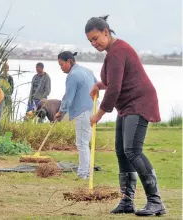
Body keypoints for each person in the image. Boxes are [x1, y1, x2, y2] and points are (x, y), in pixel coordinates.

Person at [85, 15, 166, 216]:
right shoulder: (113, 52)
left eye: (96, 38)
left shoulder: (117, 51)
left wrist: (99, 114)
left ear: (106, 32)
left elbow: (114, 89)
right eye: (90, 41)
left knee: (133, 150)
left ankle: (156, 202)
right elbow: (114, 81)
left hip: (139, 103)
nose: (94, 43)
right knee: (122, 151)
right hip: (127, 106)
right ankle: (127, 201)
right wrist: (98, 85)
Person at [54, 51, 98, 180]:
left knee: (82, 143)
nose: (61, 67)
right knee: (85, 142)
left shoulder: (72, 75)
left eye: (62, 64)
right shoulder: (87, 70)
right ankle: (86, 172)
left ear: (69, 61)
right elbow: (97, 86)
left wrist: (61, 112)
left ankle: (83, 174)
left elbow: (68, 98)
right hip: (93, 108)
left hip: (84, 111)